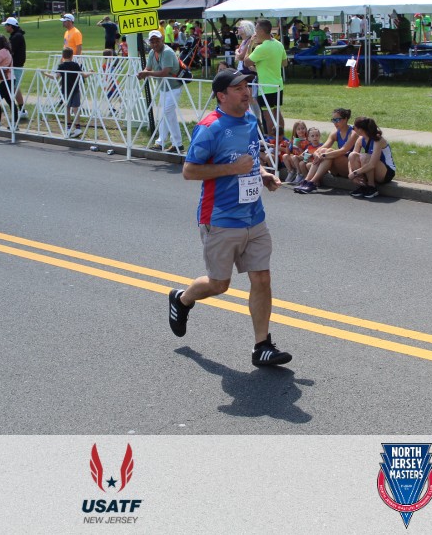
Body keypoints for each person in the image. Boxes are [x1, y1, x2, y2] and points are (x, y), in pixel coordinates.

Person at [167, 67, 289, 367]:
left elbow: (249, 159)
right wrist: (232, 170)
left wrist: (263, 174)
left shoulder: (249, 119)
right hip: (220, 218)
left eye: (247, 86)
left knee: (262, 278)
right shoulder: (210, 128)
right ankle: (182, 299)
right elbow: (189, 171)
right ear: (222, 96)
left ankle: (262, 346)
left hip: (254, 216)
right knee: (219, 284)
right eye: (239, 88)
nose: (247, 92)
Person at [137, 30, 183, 152]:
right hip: (163, 88)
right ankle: (176, 144)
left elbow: (164, 72)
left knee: (166, 114)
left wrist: (147, 73)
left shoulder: (167, 52)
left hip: (174, 87)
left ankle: (162, 142)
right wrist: (143, 73)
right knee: (169, 115)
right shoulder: (152, 52)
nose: (155, 44)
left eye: (157, 41)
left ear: (162, 39)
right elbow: (148, 68)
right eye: (152, 42)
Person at [294, 107, 358, 194]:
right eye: (333, 120)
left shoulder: (353, 133)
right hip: (336, 169)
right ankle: (306, 181)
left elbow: (343, 150)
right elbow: (322, 148)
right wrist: (317, 153)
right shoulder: (335, 133)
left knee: (328, 151)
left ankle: (312, 182)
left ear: (345, 119)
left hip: (348, 167)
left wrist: (324, 155)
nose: (335, 123)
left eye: (337, 120)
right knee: (323, 150)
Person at [246, 19, 286, 137]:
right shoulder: (278, 44)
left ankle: (272, 139)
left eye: (256, 29)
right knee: (276, 112)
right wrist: (263, 67)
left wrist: (250, 45)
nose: (255, 32)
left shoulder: (261, 48)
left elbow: (246, 62)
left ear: (261, 31)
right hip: (278, 85)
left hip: (266, 87)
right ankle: (281, 139)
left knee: (267, 115)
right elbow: (284, 63)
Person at [347, 116, 396, 198]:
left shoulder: (378, 140)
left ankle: (371, 187)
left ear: (360, 129)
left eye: (354, 127)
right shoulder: (360, 139)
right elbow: (350, 159)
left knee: (365, 157)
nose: (353, 129)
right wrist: (350, 173)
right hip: (373, 169)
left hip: (387, 172)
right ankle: (362, 185)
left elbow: (372, 164)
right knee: (353, 155)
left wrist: (355, 173)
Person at [53, 46, 91, 137]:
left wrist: (45, 74)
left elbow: (55, 76)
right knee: (75, 108)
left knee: (67, 108)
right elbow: (84, 75)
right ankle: (78, 127)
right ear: (72, 56)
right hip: (75, 89)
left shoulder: (61, 66)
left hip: (65, 90)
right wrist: (90, 72)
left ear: (63, 56)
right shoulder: (75, 65)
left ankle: (68, 127)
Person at [2, 17, 28, 120]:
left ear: (10, 26)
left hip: (16, 65)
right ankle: (20, 109)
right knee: (14, 87)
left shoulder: (16, 37)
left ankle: (22, 110)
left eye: (6, 25)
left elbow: (10, 51)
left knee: (14, 87)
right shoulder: (15, 36)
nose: (5, 27)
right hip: (15, 65)